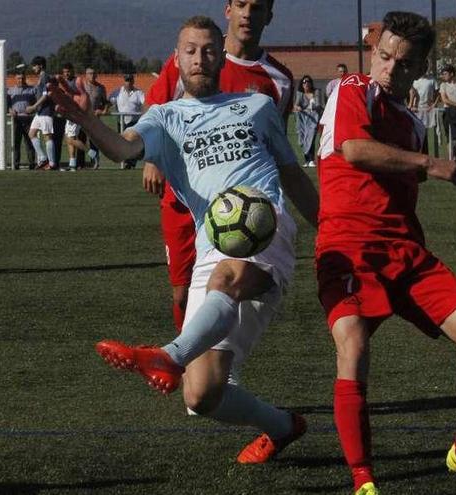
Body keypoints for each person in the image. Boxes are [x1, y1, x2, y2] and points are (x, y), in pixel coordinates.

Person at [49, 15, 319, 465]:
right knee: (202, 395)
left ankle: (168, 356)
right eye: (190, 50)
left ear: (220, 57)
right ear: (176, 59)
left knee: (228, 276)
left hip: (263, 220)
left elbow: (292, 174)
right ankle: (283, 426)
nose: (200, 58)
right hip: (212, 241)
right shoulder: (165, 118)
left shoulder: (256, 106)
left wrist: (330, 230)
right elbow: (123, 150)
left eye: (209, 50)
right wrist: (86, 120)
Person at [316, 11, 456, 495]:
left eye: (402, 64)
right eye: (383, 57)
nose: (388, 69)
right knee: (354, 348)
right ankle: (364, 481)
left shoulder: (409, 120)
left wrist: (426, 168)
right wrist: (432, 163)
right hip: (348, 248)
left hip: (405, 251)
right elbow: (354, 149)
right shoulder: (352, 90)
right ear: (374, 51)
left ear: (420, 68)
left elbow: (400, 169)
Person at [142, 0, 294, 334]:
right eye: (240, 4)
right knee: (182, 291)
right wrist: (153, 158)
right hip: (186, 197)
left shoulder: (279, 80)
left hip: (244, 205)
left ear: (269, 15)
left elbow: (275, 149)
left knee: (227, 281)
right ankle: (194, 364)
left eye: (257, 7)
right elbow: (156, 109)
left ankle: (205, 366)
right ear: (227, 10)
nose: (247, 14)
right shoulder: (190, 59)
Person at [60, 63, 96, 172]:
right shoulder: (66, 82)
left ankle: (91, 152)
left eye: (68, 71)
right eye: (64, 72)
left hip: (76, 112)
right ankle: (72, 165)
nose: (66, 74)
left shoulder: (77, 81)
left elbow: (79, 95)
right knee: (69, 138)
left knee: (70, 139)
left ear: (72, 71)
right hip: (70, 112)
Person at [26, 56, 57, 170]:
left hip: (46, 111)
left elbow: (45, 95)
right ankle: (43, 158)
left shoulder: (45, 77)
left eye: (35, 65)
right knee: (31, 133)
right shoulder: (41, 77)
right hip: (40, 112)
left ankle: (52, 163)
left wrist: (34, 106)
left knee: (47, 136)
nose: (33, 68)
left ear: (41, 66)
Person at [82, 67, 111, 168]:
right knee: (81, 140)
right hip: (82, 118)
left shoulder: (101, 88)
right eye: (90, 73)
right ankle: (80, 163)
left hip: (94, 119)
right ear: (86, 75)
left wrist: (103, 110)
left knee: (94, 141)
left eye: (94, 73)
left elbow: (106, 102)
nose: (92, 75)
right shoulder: (82, 86)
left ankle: (95, 162)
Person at [7, 72, 36, 170]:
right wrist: (10, 110)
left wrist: (32, 108)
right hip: (16, 120)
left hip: (28, 119)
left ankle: (32, 164)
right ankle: (16, 164)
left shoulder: (32, 90)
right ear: (15, 79)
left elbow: (37, 104)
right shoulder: (10, 91)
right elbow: (7, 105)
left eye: (22, 78)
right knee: (16, 143)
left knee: (29, 142)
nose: (21, 80)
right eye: (19, 78)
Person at [293, 74, 324, 167]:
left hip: (314, 119)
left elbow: (319, 105)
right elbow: (296, 105)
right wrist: (297, 107)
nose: (306, 83)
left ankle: (311, 160)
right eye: (304, 82)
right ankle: (306, 160)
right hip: (303, 119)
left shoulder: (316, 92)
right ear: (302, 84)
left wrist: (314, 106)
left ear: (311, 83)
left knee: (311, 138)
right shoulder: (300, 94)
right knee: (303, 138)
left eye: (308, 82)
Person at [115, 73, 144, 169]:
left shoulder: (138, 93)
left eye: (130, 80)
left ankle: (130, 163)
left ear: (133, 81)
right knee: (122, 143)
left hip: (133, 122)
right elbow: (108, 101)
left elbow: (145, 102)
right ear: (124, 81)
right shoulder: (118, 92)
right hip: (121, 121)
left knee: (132, 142)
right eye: (127, 80)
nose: (128, 82)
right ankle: (126, 162)